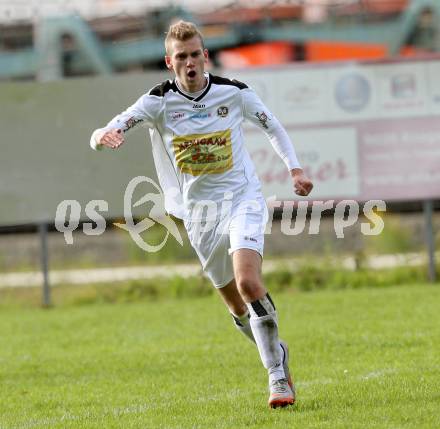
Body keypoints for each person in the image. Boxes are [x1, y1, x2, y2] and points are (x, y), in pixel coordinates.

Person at [90, 20, 313, 408]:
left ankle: (276, 375)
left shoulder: (234, 93)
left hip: (242, 199)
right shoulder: (158, 101)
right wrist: (101, 138)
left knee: (248, 283)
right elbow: (108, 128)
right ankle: (277, 351)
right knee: (235, 305)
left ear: (205, 56)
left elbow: (273, 126)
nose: (190, 63)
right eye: (182, 57)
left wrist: (294, 168)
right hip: (199, 216)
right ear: (169, 62)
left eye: (195, 54)